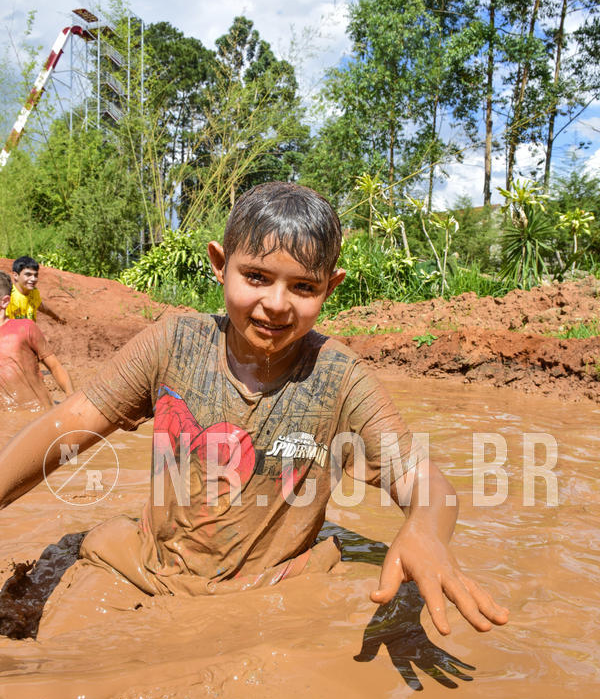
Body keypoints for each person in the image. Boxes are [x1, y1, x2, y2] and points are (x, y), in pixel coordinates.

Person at [0, 182, 508, 637]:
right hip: (145, 568)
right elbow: (69, 424)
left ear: (330, 288)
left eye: (303, 287)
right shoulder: (173, 344)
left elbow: (425, 480)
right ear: (221, 265)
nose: (277, 304)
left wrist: (426, 529)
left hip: (269, 587)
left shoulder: (340, 378)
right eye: (257, 277)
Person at [0, 271, 74, 410]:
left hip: (36, 413)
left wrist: (72, 400)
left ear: (4, 302)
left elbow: (55, 367)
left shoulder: (25, 328)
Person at [6, 256, 66, 323]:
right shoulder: (8, 296)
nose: (33, 279)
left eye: (35, 275)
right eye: (28, 274)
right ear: (15, 275)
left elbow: (41, 306)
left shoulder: (34, 292)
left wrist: (56, 317)